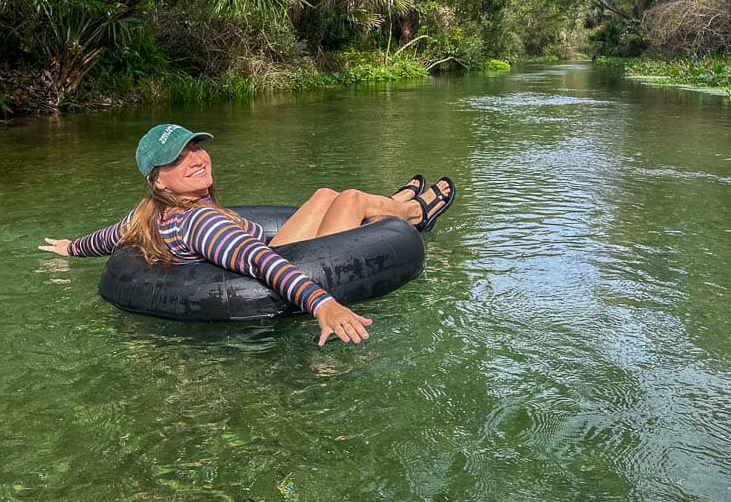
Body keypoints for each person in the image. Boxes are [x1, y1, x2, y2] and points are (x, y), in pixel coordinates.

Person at [40, 123, 456, 346]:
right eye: (179, 159)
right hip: (289, 262)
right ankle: (412, 213)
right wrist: (323, 303)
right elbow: (261, 261)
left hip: (267, 248)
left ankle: (398, 204)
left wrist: (70, 248)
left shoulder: (148, 215)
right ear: (160, 181)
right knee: (350, 200)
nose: (198, 158)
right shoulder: (201, 222)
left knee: (327, 194)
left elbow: (109, 238)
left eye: (196, 148)